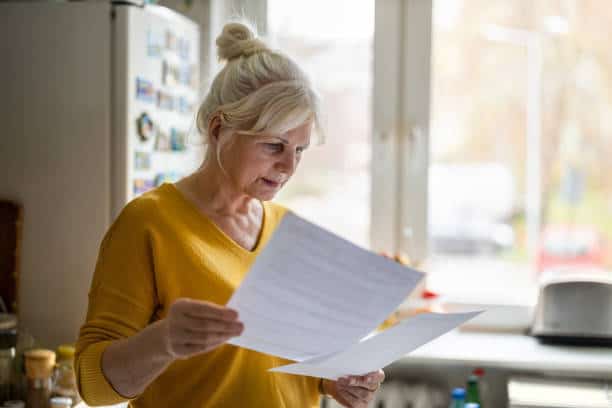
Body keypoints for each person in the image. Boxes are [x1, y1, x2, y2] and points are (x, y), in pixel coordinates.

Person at [75, 21, 384, 408]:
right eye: (275, 146)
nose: (289, 166)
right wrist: (164, 340)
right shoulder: (148, 224)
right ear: (219, 128)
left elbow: (286, 361)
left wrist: (335, 380)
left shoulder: (287, 230)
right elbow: (94, 387)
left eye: (300, 150)